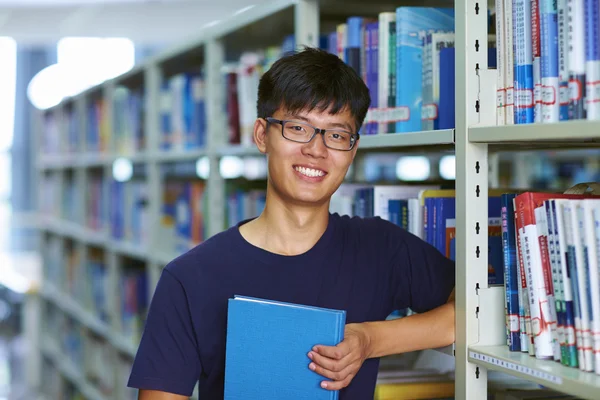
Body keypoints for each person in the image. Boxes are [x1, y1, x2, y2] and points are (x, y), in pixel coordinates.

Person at [128, 47, 456, 400]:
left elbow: (472, 313)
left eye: (336, 134)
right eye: (298, 128)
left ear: (352, 150)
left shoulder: (380, 249)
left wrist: (369, 340)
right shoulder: (191, 278)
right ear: (261, 135)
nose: (317, 150)